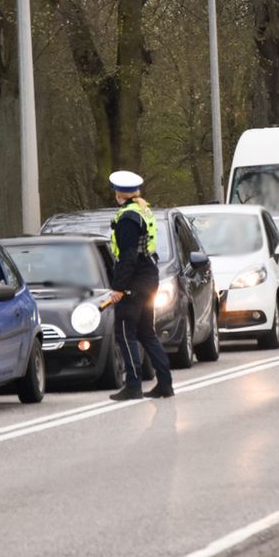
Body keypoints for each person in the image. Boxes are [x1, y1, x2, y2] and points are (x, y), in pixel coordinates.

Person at [106, 170, 174, 401]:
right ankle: (165, 383)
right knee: (147, 333)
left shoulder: (127, 219)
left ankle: (133, 385)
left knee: (125, 333)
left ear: (119, 193)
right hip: (149, 277)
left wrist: (118, 287)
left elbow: (127, 257)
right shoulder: (143, 210)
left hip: (134, 281)